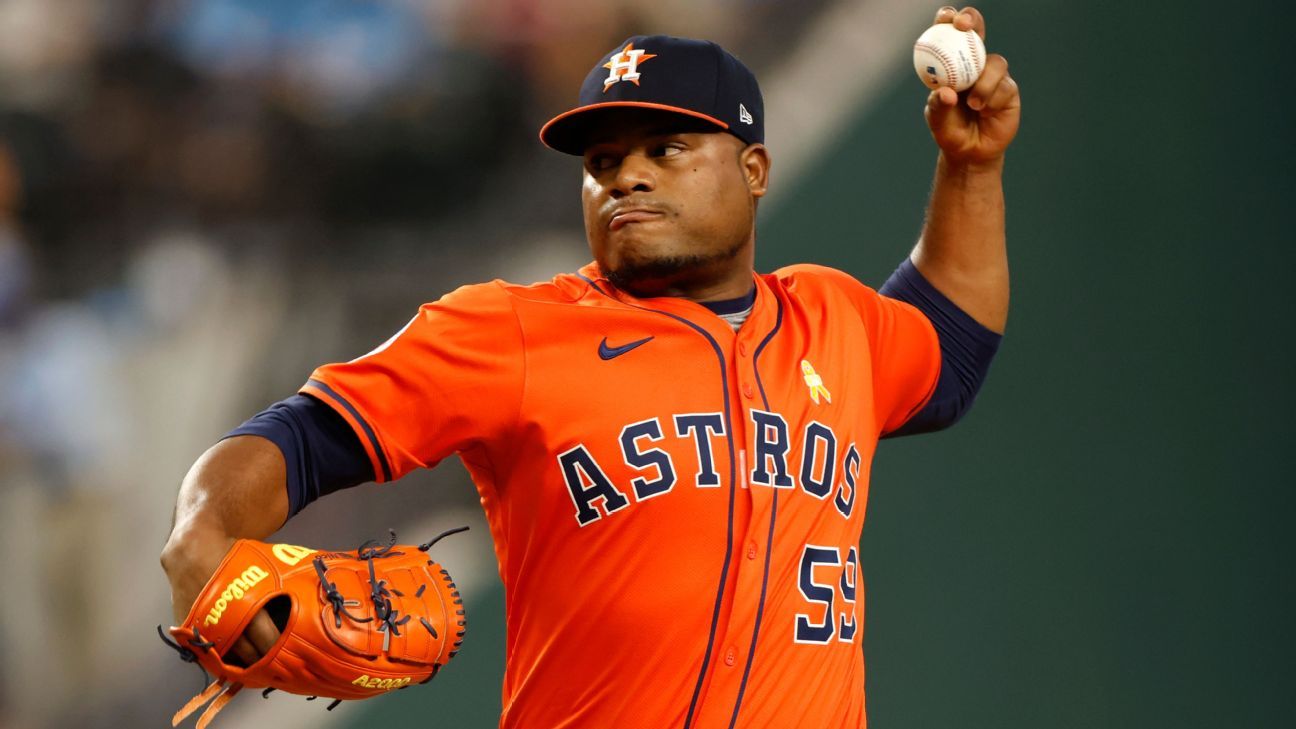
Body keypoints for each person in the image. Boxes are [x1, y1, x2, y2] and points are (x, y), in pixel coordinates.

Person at [161, 6, 1020, 727]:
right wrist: (204, 529)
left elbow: (950, 347)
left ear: (754, 169)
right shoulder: (513, 329)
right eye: (603, 161)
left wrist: (971, 165)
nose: (626, 178)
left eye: (664, 148)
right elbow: (300, 439)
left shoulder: (831, 319)